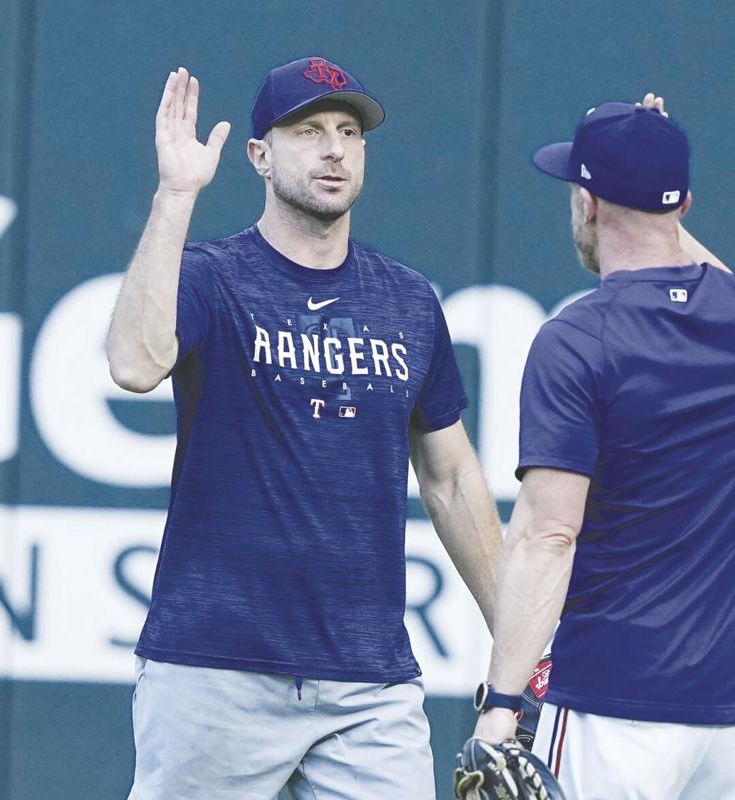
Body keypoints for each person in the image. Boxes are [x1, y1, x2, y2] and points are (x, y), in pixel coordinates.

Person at [107, 57, 502, 800]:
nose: (334, 149)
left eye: (350, 132)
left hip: (368, 683)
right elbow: (133, 363)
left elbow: (451, 481)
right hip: (216, 670)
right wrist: (175, 195)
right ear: (258, 156)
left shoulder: (408, 302)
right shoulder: (209, 276)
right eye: (309, 130)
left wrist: (522, 651)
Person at [469, 93, 735, 799]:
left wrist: (500, 704)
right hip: (733, 722)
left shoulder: (578, 339)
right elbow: (692, 263)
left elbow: (548, 535)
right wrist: (652, 177)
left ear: (586, 202)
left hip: (615, 708)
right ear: (685, 205)